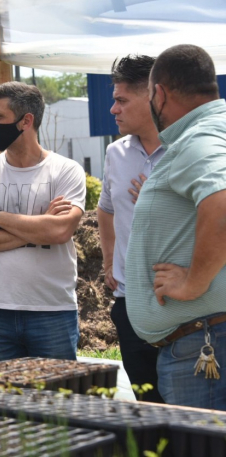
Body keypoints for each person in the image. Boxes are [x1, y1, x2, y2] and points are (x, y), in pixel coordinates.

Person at [125, 44, 226, 410]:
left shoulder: (197, 138)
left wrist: (194, 281)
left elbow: (221, 204)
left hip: (205, 344)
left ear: (160, 94)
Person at [0, 81, 86, 361]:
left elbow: (61, 230)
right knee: (2, 402)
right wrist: (39, 227)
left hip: (52, 312)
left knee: (58, 400)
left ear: (25, 121)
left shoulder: (66, 171)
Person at [97, 55, 165, 403]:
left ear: (153, 96)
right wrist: (110, 261)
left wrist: (159, 201)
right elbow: (106, 209)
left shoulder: (189, 150)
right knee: (148, 405)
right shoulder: (115, 153)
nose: (113, 109)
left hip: (183, 303)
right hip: (129, 303)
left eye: (121, 100)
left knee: (191, 410)